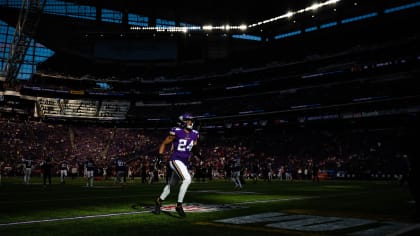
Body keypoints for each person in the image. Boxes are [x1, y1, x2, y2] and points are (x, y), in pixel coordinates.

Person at [153, 113, 199, 217]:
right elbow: (164, 143)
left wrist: (198, 154)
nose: (190, 122)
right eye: (188, 120)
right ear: (182, 122)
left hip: (184, 162)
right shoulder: (176, 131)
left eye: (191, 120)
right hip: (175, 160)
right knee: (187, 179)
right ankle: (179, 205)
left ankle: (158, 201)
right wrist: (159, 157)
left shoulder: (195, 133)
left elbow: (194, 146)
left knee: (171, 184)